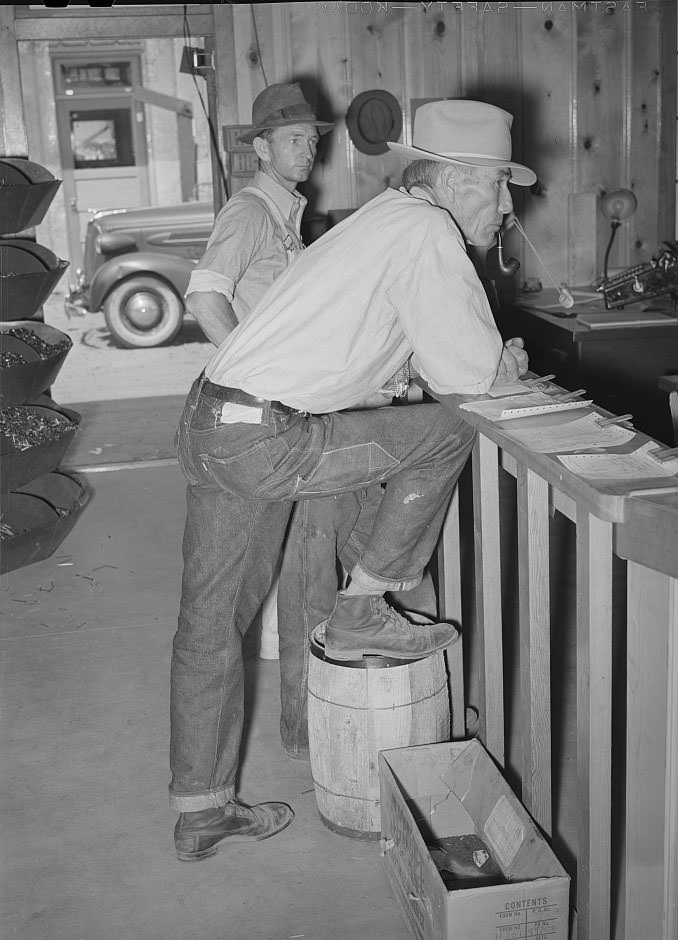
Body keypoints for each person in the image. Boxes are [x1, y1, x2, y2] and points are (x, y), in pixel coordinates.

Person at [169, 98, 534, 862]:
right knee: (447, 432)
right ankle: (364, 604)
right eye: (498, 182)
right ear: (454, 178)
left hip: (212, 419)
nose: (506, 205)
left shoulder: (384, 216)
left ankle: (201, 808)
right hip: (265, 437)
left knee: (211, 623)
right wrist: (504, 363)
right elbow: (471, 382)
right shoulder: (427, 230)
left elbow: (382, 342)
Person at [183, 81, 332, 343]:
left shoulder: (283, 212)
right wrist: (241, 361)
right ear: (263, 149)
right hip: (266, 368)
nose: (308, 153)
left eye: (312, 141)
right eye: (294, 140)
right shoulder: (250, 212)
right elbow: (203, 297)